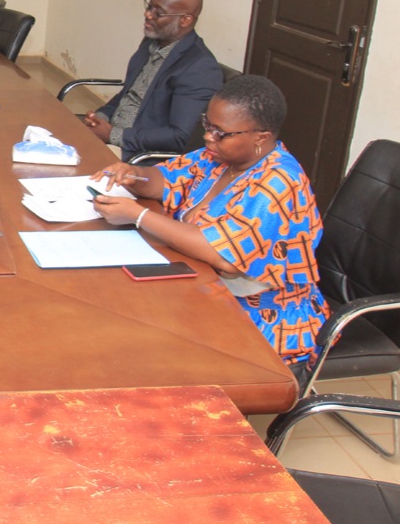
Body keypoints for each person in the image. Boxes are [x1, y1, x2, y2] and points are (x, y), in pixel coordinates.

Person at [91, 75, 329, 365]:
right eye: (207, 125)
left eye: (220, 133)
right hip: (203, 286)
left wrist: (138, 215)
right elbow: (167, 180)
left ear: (260, 137)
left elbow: (224, 257)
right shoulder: (218, 157)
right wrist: (134, 175)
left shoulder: (277, 183)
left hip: (258, 316)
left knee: (142, 345)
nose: (208, 137)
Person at [83, 0, 223, 161]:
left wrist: (113, 135)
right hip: (113, 137)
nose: (148, 14)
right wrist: (100, 117)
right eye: (149, 6)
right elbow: (128, 94)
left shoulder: (199, 67)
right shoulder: (153, 40)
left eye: (158, 12)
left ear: (185, 20)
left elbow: (180, 136)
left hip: (138, 155)